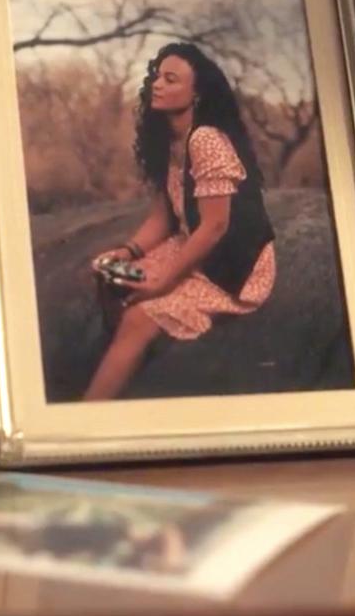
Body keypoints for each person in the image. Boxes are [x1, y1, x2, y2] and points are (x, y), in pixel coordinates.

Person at [83, 42, 276, 401]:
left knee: (141, 316)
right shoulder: (167, 141)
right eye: (157, 76)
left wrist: (164, 282)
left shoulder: (206, 140)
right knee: (110, 273)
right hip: (193, 242)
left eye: (171, 79)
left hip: (232, 262)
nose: (157, 84)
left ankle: (86, 420)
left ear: (197, 93)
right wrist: (128, 251)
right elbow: (164, 216)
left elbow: (216, 226)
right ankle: (128, 370)